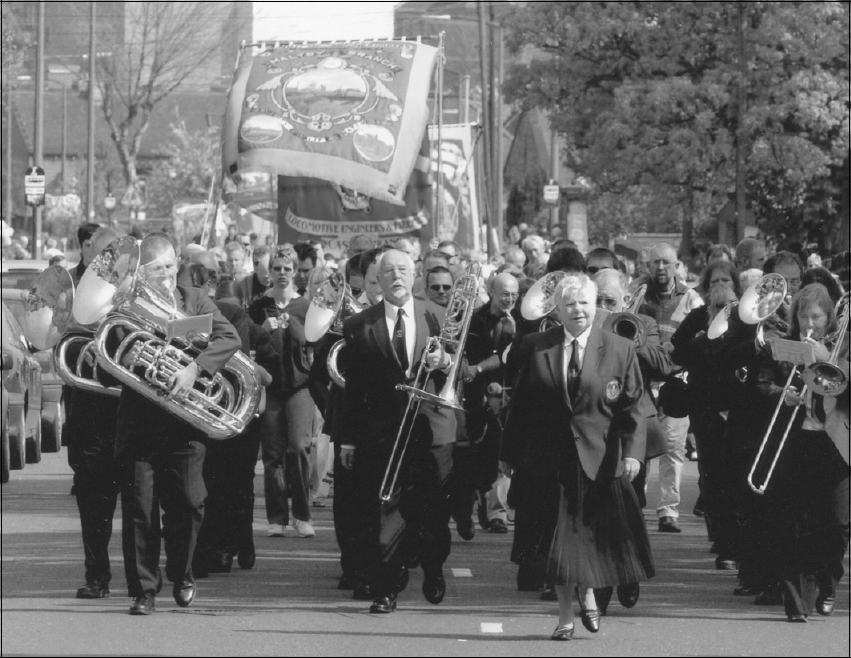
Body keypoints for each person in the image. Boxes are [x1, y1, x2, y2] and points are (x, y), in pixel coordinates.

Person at [501, 274, 653, 640]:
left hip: (599, 460)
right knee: (558, 544)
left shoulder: (618, 348)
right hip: (549, 462)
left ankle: (588, 592)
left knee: (589, 538)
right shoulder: (536, 346)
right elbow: (519, 407)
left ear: (595, 305)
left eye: (584, 303)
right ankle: (565, 616)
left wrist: (633, 453)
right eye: (569, 304)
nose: (578, 310)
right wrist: (507, 456)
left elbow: (633, 407)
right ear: (558, 309)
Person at [104, 233, 241, 615]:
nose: (165, 276)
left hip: (184, 425)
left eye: (169, 267)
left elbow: (228, 337)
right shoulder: (125, 306)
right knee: (139, 511)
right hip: (140, 426)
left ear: (177, 264)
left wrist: (193, 369)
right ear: (141, 273)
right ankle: (144, 591)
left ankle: (181, 572)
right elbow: (107, 360)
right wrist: (127, 351)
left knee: (190, 504)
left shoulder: (195, 298)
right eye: (155, 270)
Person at [339, 250, 457, 614]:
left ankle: (434, 568)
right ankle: (387, 588)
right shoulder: (359, 325)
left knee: (433, 511)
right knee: (386, 511)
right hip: (384, 433)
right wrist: (348, 438)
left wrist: (446, 361)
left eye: (403, 271)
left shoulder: (437, 315)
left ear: (415, 275)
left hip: (432, 429)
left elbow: (460, 362)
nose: (396, 277)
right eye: (388, 271)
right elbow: (353, 389)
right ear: (378, 276)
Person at [756, 284, 849, 622]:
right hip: (799, 441)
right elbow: (761, 383)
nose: (810, 323)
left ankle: (828, 585)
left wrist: (828, 360)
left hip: (837, 444)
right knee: (797, 523)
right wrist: (784, 393)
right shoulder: (785, 348)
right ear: (795, 317)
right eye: (804, 316)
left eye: (817, 317)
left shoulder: (845, 348)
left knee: (836, 525)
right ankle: (798, 601)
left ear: (829, 319)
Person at [671, 259, 743, 570]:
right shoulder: (699, 317)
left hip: (740, 408)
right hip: (706, 407)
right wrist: (699, 339)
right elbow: (677, 350)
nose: (719, 286)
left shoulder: (745, 317)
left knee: (737, 477)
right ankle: (725, 543)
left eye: (725, 280)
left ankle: (740, 540)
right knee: (713, 477)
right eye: (713, 282)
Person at [64, 226, 122, 599]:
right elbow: (54, 343)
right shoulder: (73, 297)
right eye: (102, 258)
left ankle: (143, 579)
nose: (107, 265)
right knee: (93, 501)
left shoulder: (135, 296)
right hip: (88, 414)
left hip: (131, 414)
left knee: (140, 504)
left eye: (114, 259)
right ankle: (96, 574)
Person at [635, 243, 703, 532]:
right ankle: (635, 504)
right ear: (648, 267)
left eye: (666, 262)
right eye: (655, 263)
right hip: (642, 382)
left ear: (677, 266)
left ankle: (668, 510)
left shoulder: (692, 298)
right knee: (639, 447)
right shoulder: (638, 295)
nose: (660, 268)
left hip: (677, 381)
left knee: (673, 448)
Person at [250, 247, 317, 539]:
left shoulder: (305, 306)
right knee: (273, 453)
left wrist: (298, 331)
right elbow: (249, 342)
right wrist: (263, 329)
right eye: (276, 268)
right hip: (270, 386)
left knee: (299, 447)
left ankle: (302, 514)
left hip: (299, 386)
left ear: (295, 272)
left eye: (286, 269)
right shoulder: (257, 307)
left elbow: (313, 345)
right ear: (269, 272)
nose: (281, 274)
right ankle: (277, 517)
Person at [450, 272, 519, 539]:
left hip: (510, 396)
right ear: (490, 290)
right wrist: (476, 369)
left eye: (514, 294)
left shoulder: (522, 320)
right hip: (478, 395)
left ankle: (496, 512)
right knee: (472, 458)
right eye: (504, 294)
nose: (509, 299)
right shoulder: (475, 318)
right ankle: (468, 508)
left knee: (502, 453)